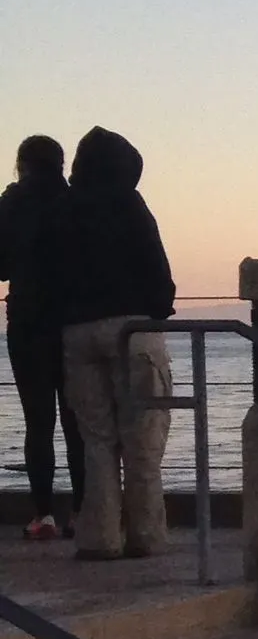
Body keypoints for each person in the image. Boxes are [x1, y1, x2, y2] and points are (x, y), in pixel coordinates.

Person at [43, 129, 175, 558]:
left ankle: (100, 538)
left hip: (77, 333)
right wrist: (157, 307)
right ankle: (146, 536)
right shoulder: (130, 206)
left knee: (96, 441)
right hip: (133, 329)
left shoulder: (61, 209)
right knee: (144, 441)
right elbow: (158, 273)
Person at [0, 138, 59, 538]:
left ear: (22, 165)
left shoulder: (14, 203)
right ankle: (88, 513)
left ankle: (44, 515)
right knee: (79, 422)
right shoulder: (76, 202)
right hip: (71, 320)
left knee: (38, 421)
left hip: (28, 321)